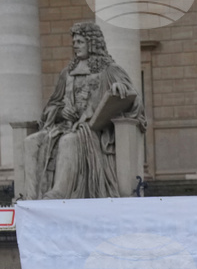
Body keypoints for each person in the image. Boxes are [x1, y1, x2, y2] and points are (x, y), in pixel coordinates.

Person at [22, 22, 144, 199]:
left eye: (80, 41)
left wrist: (119, 88)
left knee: (69, 141)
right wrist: (60, 112)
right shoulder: (67, 73)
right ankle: (29, 198)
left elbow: (135, 101)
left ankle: (59, 192)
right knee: (30, 142)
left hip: (92, 131)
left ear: (92, 43)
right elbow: (51, 106)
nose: (75, 46)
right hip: (64, 127)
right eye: (74, 42)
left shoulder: (110, 71)